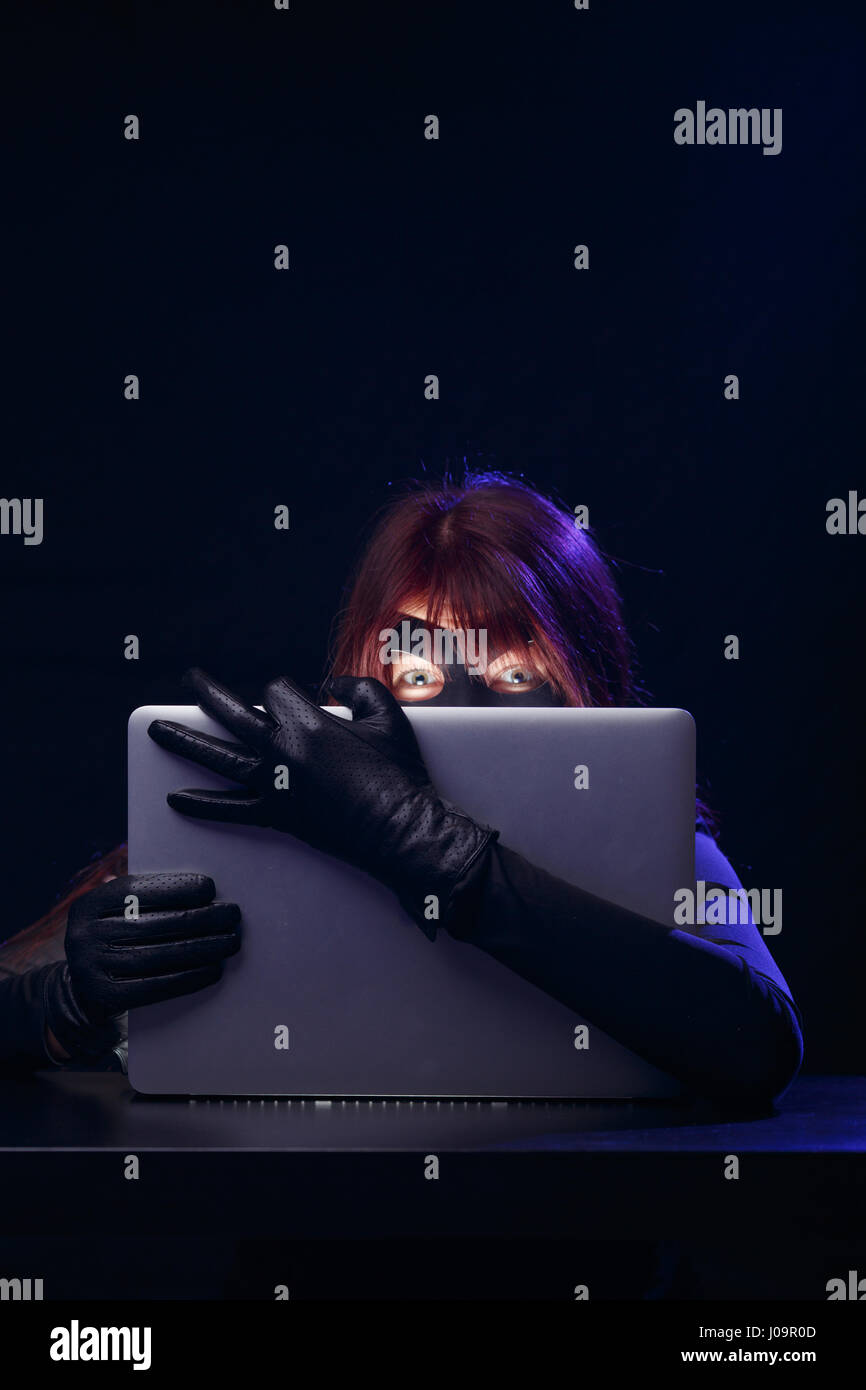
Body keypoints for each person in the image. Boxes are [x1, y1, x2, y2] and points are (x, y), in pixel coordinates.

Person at [0, 472, 803, 1105]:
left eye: (516, 673)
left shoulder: (665, 855)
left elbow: (758, 1047)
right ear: (363, 681)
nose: (465, 710)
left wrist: (429, 852)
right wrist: (66, 1007)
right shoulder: (248, 831)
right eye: (416, 675)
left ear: (585, 687)